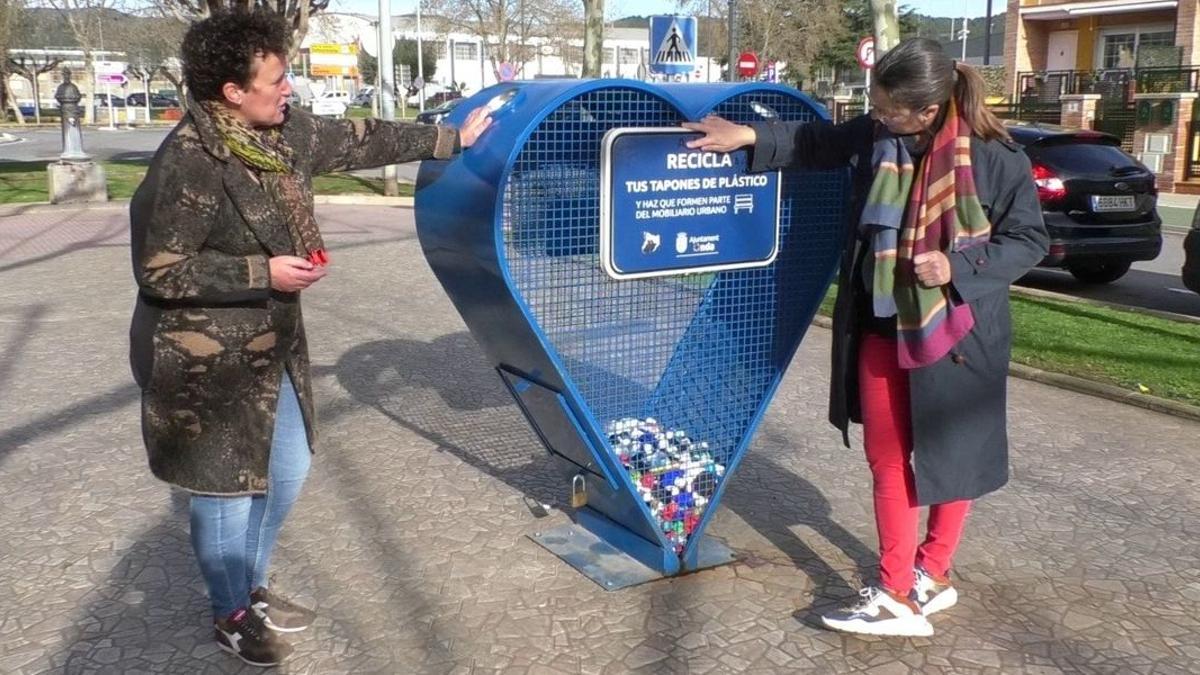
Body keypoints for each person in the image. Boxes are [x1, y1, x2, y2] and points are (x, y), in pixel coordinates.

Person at [127, 10, 490, 667]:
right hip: (202, 358)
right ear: (232, 93)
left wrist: (449, 137)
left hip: (274, 342)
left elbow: (359, 139)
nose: (288, 86)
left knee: (286, 468)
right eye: (276, 77)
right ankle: (230, 610)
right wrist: (261, 270)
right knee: (226, 488)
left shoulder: (284, 130)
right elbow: (161, 270)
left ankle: (252, 586)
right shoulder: (191, 160)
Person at [684, 38, 1048, 637]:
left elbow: (1029, 240)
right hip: (881, 323)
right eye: (875, 108)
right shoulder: (878, 137)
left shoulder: (996, 157)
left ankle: (933, 573)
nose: (877, 118)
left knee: (951, 456)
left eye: (887, 111)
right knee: (887, 458)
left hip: (957, 331)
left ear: (926, 111)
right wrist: (748, 136)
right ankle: (896, 591)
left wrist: (959, 268)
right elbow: (819, 143)